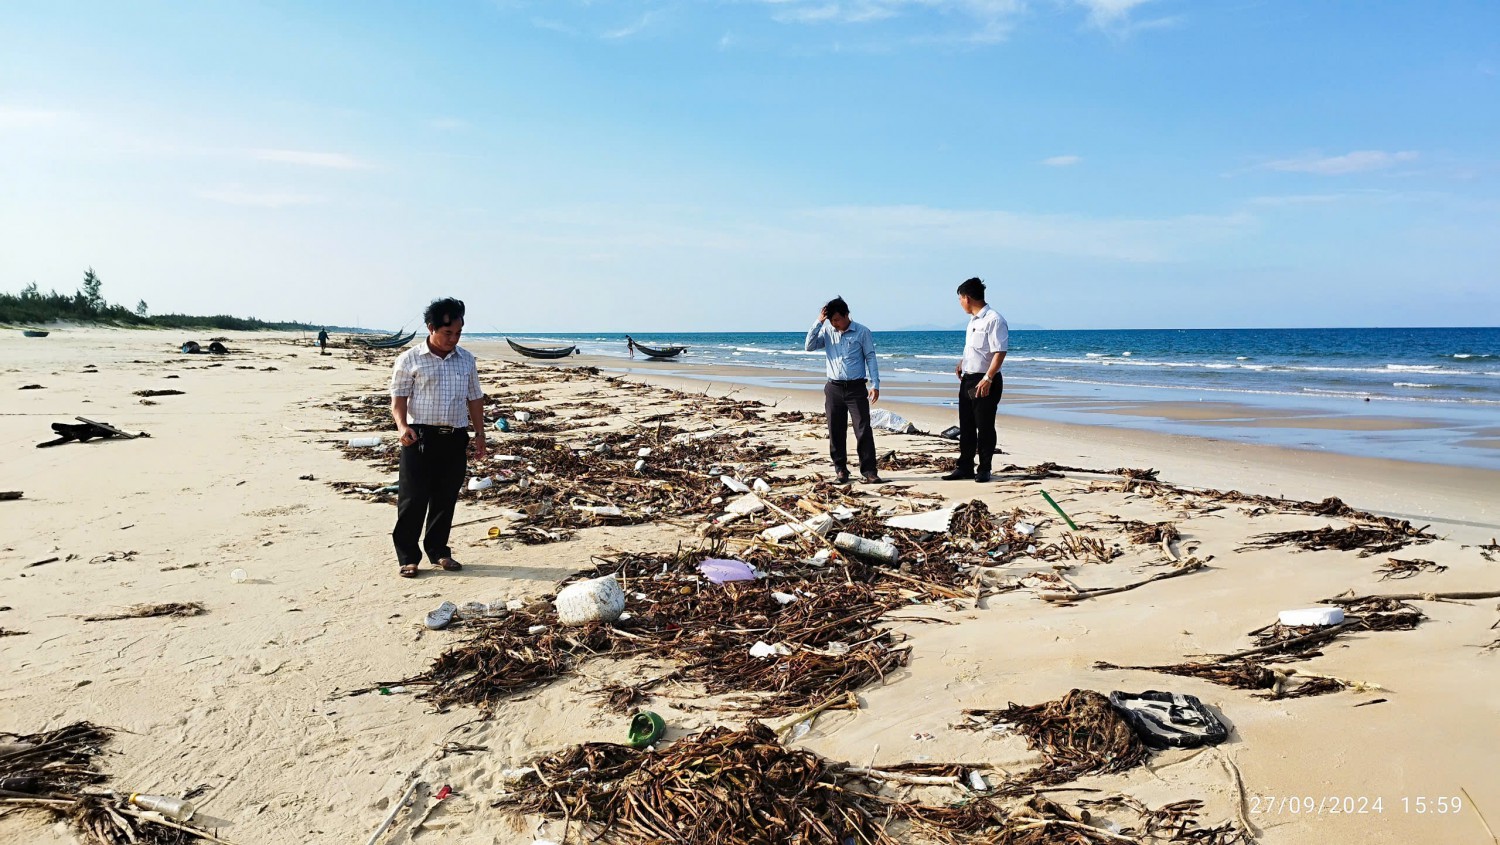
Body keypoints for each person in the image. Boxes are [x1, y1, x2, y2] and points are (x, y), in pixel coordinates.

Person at [389, 298, 488, 578]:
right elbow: (398, 399)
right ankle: (408, 556)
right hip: (418, 436)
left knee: (445, 498)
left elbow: (475, 397)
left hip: (455, 437)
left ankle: (439, 551)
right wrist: (401, 426)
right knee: (413, 499)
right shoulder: (409, 359)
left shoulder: (466, 359)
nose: (453, 339)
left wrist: (479, 433)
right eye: (448, 333)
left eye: (458, 333)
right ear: (431, 328)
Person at [805, 296, 883, 484]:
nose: (835, 324)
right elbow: (809, 346)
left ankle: (869, 470)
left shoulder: (862, 332)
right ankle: (841, 470)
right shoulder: (828, 331)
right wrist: (819, 321)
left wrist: (875, 384)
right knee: (835, 430)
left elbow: (870, 357)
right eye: (832, 321)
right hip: (833, 388)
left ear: (847, 315)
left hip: (856, 388)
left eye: (838, 320)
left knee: (863, 429)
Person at [945, 278, 1008, 483]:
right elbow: (976, 350)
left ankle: (984, 468)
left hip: (985, 381)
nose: (960, 303)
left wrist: (988, 378)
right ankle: (965, 467)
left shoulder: (994, 319)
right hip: (968, 380)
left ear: (967, 298)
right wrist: (962, 362)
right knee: (967, 425)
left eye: (960, 299)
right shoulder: (972, 321)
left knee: (985, 426)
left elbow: (999, 352)